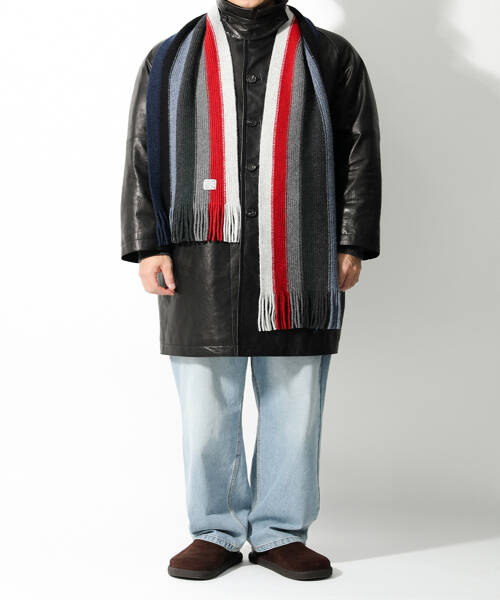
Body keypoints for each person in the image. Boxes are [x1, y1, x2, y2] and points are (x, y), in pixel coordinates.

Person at [120, 0, 381, 581]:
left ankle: (280, 532)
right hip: (198, 257)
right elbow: (143, 155)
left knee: (296, 404)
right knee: (205, 409)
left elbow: (359, 150)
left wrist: (352, 241)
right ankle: (214, 530)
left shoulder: (330, 56)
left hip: (301, 261)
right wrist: (147, 243)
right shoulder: (169, 58)